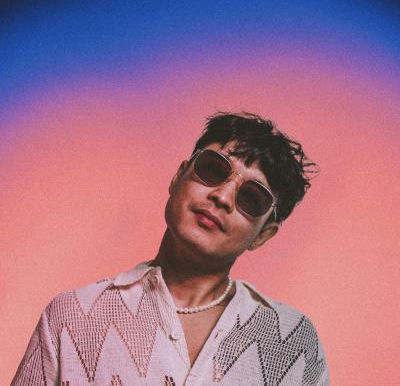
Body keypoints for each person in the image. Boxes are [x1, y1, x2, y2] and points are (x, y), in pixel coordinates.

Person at [12, 112, 329, 385]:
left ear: (263, 235)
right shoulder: (72, 315)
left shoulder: (293, 340)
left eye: (251, 198)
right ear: (178, 177)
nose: (222, 197)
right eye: (213, 170)